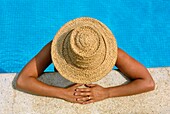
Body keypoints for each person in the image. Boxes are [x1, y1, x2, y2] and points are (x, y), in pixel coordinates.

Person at [16, 17, 155, 104]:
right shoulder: (56, 47)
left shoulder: (111, 52)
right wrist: (62, 93)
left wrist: (107, 93)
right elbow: (23, 80)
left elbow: (147, 82)